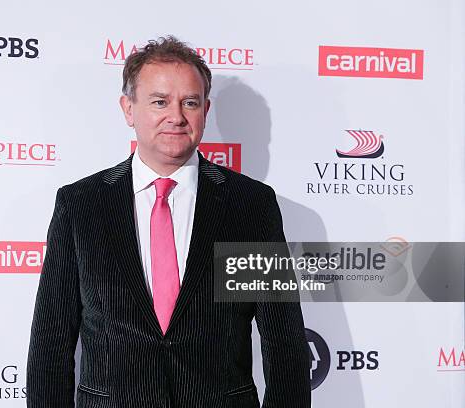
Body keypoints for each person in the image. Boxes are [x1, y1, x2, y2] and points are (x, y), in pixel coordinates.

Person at [27, 36, 310, 408]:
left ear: (205, 110)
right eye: (159, 102)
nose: (175, 116)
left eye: (189, 103)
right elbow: (51, 344)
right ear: (128, 109)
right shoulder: (81, 205)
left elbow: (284, 342)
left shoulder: (249, 205)